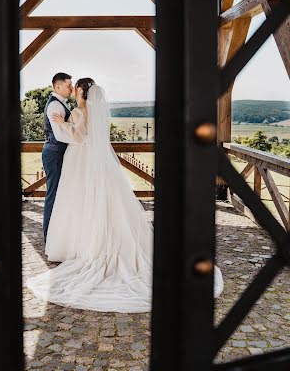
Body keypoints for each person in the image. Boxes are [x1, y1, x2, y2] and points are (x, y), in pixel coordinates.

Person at [28, 79, 224, 312]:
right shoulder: (93, 110)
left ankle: (79, 245)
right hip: (93, 160)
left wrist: (65, 124)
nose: (74, 91)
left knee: (79, 202)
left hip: (80, 159)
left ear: (81, 92)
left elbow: (80, 137)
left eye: (76, 88)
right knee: (97, 201)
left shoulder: (81, 111)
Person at [42, 72, 73, 241]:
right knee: (53, 193)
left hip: (58, 152)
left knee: (60, 193)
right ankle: (49, 236)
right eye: (69, 85)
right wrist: (80, 140)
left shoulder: (60, 104)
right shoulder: (55, 106)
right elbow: (60, 136)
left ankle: (58, 233)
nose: (71, 88)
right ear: (58, 86)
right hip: (54, 153)